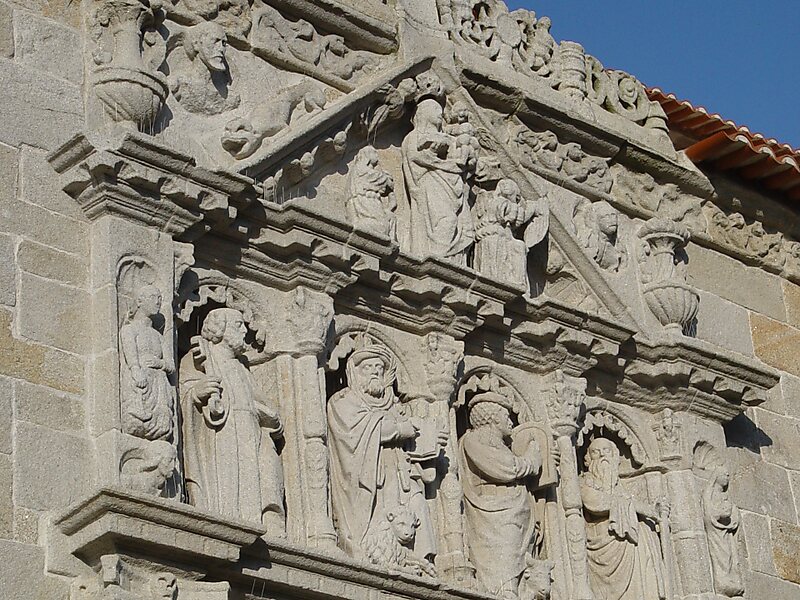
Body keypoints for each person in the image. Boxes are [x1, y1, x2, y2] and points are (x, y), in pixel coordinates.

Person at [327, 341, 443, 570]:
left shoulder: (394, 405)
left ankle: (421, 560)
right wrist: (400, 429)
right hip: (366, 476)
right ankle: (374, 552)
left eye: (379, 369)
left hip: (401, 475)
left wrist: (429, 441)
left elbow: (408, 435)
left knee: (416, 504)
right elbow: (355, 432)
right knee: (380, 523)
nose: (374, 373)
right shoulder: (344, 401)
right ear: (354, 373)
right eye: (368, 368)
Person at [179, 308, 285, 533]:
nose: (244, 330)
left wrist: (269, 416)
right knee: (227, 483)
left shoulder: (243, 368)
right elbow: (184, 393)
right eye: (238, 325)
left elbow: (257, 402)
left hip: (250, 432)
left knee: (258, 480)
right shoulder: (197, 358)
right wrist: (197, 392)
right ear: (220, 330)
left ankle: (260, 522)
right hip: (220, 435)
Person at [459, 392, 542, 599]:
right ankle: (504, 591)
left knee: (514, 552)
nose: (510, 422)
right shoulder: (474, 439)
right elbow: (504, 469)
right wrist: (531, 460)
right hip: (494, 511)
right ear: (494, 417)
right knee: (502, 553)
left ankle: (516, 589)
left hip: (514, 509)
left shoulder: (502, 445)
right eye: (506, 416)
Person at [580, 437, 667, 600]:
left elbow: (629, 502)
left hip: (627, 547)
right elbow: (592, 502)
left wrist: (652, 511)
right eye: (595, 452)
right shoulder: (586, 481)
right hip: (601, 543)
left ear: (614, 455)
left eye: (606, 450)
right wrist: (631, 505)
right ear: (588, 460)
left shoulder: (619, 485)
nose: (601, 456)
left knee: (645, 529)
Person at [401, 98, 474, 265]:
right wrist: (443, 162)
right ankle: (439, 256)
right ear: (424, 114)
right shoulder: (415, 136)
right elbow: (415, 156)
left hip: (449, 185)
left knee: (453, 221)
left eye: (440, 112)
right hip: (430, 184)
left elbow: (461, 160)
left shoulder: (446, 137)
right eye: (434, 111)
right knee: (446, 220)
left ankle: (450, 259)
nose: (440, 115)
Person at [119, 284, 175, 441]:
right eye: (152, 297)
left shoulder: (158, 336)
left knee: (163, 425)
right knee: (137, 421)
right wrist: (136, 372)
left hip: (160, 386)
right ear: (139, 301)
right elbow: (131, 358)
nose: (157, 302)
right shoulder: (130, 330)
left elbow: (170, 366)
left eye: (159, 298)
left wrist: (159, 363)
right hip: (141, 383)